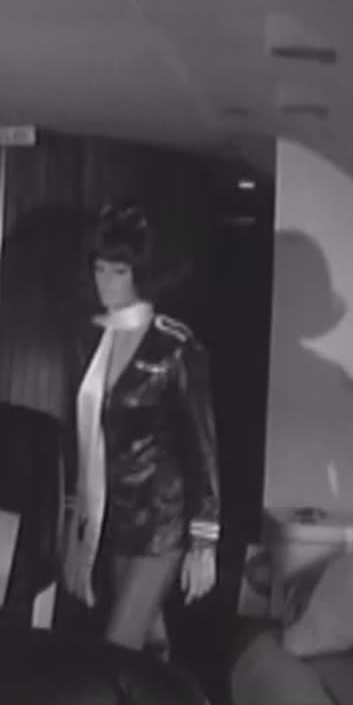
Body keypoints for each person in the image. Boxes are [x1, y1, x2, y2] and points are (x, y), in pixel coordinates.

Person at [58, 202, 221, 652]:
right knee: (149, 644)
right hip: (110, 517)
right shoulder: (88, 339)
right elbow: (77, 437)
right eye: (99, 269)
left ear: (140, 274)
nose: (105, 281)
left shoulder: (175, 347)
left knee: (119, 645)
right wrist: (72, 519)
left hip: (161, 521)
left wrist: (204, 539)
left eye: (118, 271)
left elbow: (202, 447)